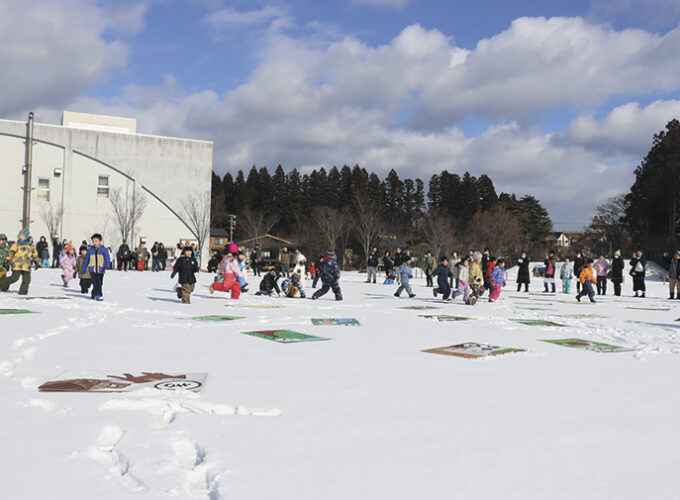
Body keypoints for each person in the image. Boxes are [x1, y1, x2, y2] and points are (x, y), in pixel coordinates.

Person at [0, 228, 39, 295]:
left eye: (22, 235)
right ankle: (1, 282)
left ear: (26, 236)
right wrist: (7, 259)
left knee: (27, 279)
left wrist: (37, 262)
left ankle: (23, 292)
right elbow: (10, 252)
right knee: (14, 278)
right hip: (17, 265)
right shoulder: (16, 244)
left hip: (26, 266)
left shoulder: (31, 246)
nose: (20, 236)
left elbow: (35, 254)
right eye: (20, 235)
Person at [81, 234, 111, 301]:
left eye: (96, 241)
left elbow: (107, 258)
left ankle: (94, 293)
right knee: (96, 282)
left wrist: (107, 265)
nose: (95, 243)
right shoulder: (90, 250)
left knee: (100, 283)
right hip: (92, 270)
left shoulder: (104, 250)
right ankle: (99, 295)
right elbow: (86, 260)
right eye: (93, 241)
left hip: (101, 269)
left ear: (100, 241)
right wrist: (83, 269)